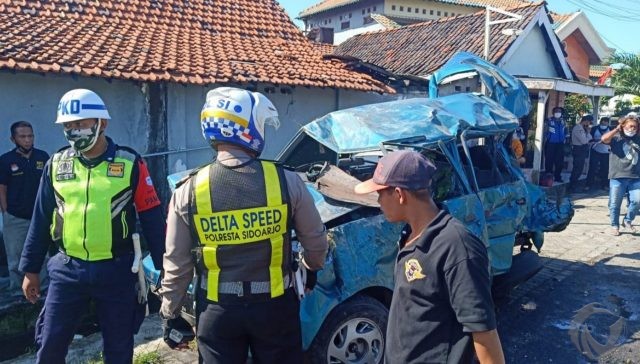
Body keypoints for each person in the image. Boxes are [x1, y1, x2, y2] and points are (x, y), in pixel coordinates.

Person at [159, 87, 328, 363]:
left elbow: (176, 265)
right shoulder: (286, 180)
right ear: (249, 129)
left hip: (217, 313)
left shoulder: (188, 190)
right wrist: (311, 268)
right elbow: (316, 243)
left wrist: (170, 313)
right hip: (275, 310)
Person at [19, 89, 166, 363]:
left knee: (119, 348)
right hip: (66, 270)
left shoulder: (130, 162)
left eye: (81, 123)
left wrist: (165, 268)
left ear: (102, 123)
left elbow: (153, 220)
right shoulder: (56, 165)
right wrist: (30, 269)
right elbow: (40, 219)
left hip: (117, 270)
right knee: (49, 344)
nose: (75, 131)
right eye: (68, 126)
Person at [354, 150, 505, 364]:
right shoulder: (410, 235)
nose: (378, 201)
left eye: (380, 193)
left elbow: (484, 333)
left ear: (399, 194)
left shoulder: (457, 247)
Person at [0, 121, 49, 293]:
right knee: (15, 257)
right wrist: (6, 212)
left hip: (40, 216)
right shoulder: (6, 160)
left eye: (30, 136)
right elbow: (2, 189)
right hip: (15, 217)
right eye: (22, 136)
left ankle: (42, 290)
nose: (27, 140)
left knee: (42, 254)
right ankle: (18, 292)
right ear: (13, 139)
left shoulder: (43, 157)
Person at [601, 114, 640, 236]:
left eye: (635, 127)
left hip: (635, 177)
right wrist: (617, 129)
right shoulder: (616, 138)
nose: (632, 129)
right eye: (630, 126)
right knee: (615, 203)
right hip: (618, 176)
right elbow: (604, 139)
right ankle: (614, 226)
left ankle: (627, 220)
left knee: (637, 201)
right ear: (623, 126)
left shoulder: (638, 139)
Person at [586, 117, 611, 191]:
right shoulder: (594, 129)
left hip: (606, 152)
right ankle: (588, 184)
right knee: (592, 168)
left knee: (605, 169)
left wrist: (605, 141)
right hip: (595, 151)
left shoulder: (610, 129)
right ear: (600, 122)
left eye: (606, 122)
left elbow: (613, 139)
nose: (604, 123)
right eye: (603, 122)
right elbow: (590, 138)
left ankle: (605, 184)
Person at [569, 115, 593, 189]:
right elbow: (584, 141)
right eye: (589, 122)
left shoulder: (583, 128)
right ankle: (572, 185)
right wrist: (588, 133)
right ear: (585, 121)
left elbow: (590, 139)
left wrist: (587, 133)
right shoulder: (578, 128)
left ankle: (574, 184)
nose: (589, 124)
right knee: (577, 169)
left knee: (579, 168)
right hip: (578, 149)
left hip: (582, 150)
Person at [544, 106, 568, 182]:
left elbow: (566, 132)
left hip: (560, 144)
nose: (558, 113)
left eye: (559, 112)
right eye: (556, 111)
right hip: (550, 143)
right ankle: (548, 177)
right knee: (549, 160)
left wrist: (567, 140)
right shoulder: (548, 120)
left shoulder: (563, 121)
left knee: (559, 162)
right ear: (553, 112)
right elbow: (544, 131)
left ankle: (557, 176)